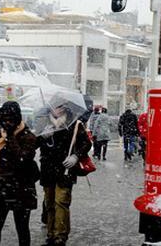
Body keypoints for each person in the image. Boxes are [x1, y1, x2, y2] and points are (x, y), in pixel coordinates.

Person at [38, 98, 92, 246]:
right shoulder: (43, 123)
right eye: (55, 106)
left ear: (65, 108)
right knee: (49, 203)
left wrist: (76, 156)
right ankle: (51, 234)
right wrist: (43, 137)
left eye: (60, 106)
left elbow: (86, 143)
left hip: (65, 169)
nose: (57, 109)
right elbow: (36, 144)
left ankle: (60, 237)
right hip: (48, 168)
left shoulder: (74, 124)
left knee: (61, 202)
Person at [0, 101, 39, 246]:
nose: (7, 122)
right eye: (4, 119)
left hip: (21, 189)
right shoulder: (2, 135)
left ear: (17, 118)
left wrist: (11, 138)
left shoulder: (28, 136)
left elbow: (22, 159)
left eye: (10, 119)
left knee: (22, 229)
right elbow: (0, 162)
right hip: (1, 189)